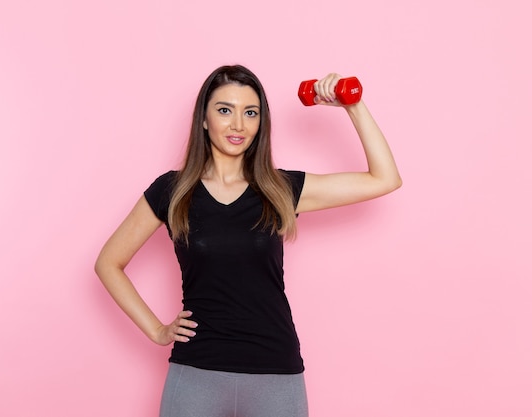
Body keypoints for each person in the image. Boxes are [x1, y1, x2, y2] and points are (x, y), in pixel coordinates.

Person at [95, 64, 401, 417]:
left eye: (250, 113)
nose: (238, 124)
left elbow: (385, 178)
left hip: (275, 371)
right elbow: (108, 263)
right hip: (197, 372)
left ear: (261, 123)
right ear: (204, 119)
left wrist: (353, 106)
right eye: (225, 110)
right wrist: (157, 330)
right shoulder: (172, 190)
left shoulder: (280, 189)